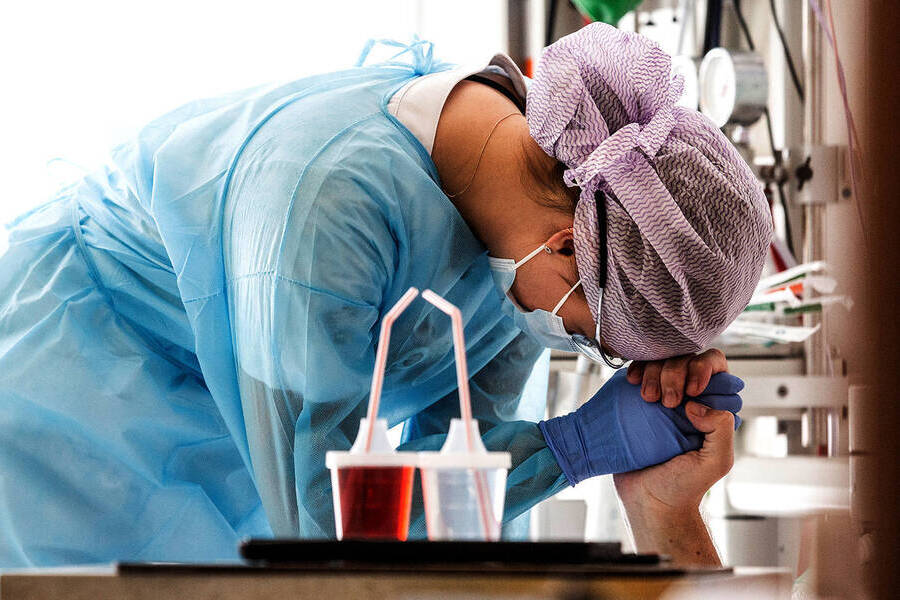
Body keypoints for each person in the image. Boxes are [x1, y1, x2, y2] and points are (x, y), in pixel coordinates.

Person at [0, 23, 771, 566]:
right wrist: (574, 449)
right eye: (593, 335)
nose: (572, 343)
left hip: (236, 441)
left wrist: (638, 477)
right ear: (570, 245)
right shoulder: (325, 214)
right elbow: (329, 532)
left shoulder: (511, 228)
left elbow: (445, 479)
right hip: (79, 408)